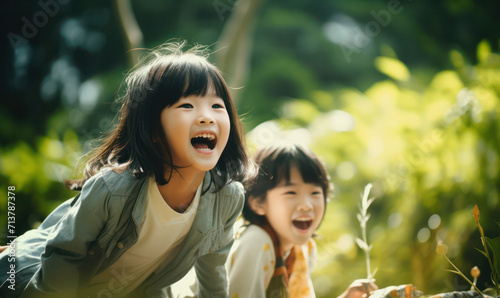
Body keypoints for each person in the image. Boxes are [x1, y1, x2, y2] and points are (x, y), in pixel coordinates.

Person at [0, 40, 255, 298]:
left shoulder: (226, 197)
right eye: (187, 105)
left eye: (217, 106)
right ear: (153, 129)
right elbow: (62, 262)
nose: (207, 117)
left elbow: (213, 277)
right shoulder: (112, 189)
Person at [226, 143, 378, 298]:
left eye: (315, 193)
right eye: (291, 192)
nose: (306, 205)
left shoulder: (303, 249)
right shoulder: (256, 242)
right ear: (258, 203)